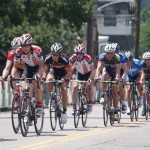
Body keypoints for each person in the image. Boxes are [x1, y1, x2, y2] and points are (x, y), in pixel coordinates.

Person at [11, 33, 44, 116]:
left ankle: (39, 106)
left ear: (30, 45)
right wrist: (11, 75)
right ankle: (26, 105)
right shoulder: (18, 51)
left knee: (36, 83)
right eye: (22, 46)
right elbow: (15, 67)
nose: (24, 48)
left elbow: (41, 66)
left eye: (26, 46)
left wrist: (38, 75)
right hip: (27, 68)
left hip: (37, 68)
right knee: (23, 86)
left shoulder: (37, 50)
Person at [42, 42, 71, 124]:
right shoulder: (48, 58)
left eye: (56, 54)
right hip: (53, 72)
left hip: (63, 74)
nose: (54, 56)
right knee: (49, 79)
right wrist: (43, 77)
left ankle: (64, 112)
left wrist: (64, 79)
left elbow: (69, 73)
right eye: (53, 54)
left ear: (60, 54)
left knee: (63, 89)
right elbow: (45, 70)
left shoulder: (64, 59)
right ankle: (53, 98)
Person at [95, 43, 120, 117]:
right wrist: (97, 76)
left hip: (114, 73)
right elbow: (99, 68)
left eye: (111, 53)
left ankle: (116, 110)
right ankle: (103, 94)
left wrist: (118, 77)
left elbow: (118, 70)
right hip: (107, 71)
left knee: (115, 91)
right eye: (107, 53)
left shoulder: (117, 57)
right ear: (105, 53)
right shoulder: (102, 57)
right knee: (105, 75)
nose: (109, 55)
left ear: (114, 53)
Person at [69, 44, 95, 114]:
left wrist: (90, 79)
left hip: (88, 74)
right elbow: (68, 70)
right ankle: (74, 107)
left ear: (83, 53)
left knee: (88, 86)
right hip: (79, 73)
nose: (78, 55)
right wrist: (69, 77)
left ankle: (89, 104)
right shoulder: (73, 58)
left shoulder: (88, 58)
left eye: (80, 53)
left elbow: (93, 71)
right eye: (77, 53)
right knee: (74, 87)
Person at [114, 43, 127, 113]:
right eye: (114, 51)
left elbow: (125, 69)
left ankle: (123, 102)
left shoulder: (122, 56)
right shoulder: (109, 56)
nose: (116, 53)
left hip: (121, 71)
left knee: (120, 84)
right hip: (112, 71)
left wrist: (123, 77)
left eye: (117, 51)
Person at [139, 52, 150, 116]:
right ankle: (144, 108)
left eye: (148, 59)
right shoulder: (143, 64)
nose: (147, 61)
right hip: (146, 77)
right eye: (145, 60)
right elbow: (143, 73)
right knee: (144, 92)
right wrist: (141, 80)